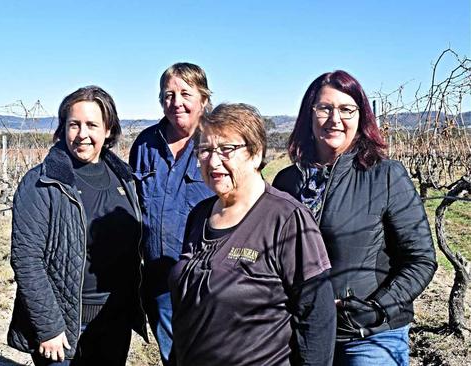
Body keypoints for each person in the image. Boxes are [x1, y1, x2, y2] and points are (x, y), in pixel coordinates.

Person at [272, 70, 437, 366]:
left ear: (361, 117)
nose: (335, 119)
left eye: (347, 109)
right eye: (324, 108)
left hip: (369, 335)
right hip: (302, 329)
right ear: (308, 116)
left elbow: (421, 258)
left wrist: (376, 308)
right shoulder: (287, 182)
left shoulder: (386, 175)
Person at [169, 103, 336, 365]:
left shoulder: (286, 219)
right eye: (205, 150)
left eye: (226, 149)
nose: (213, 161)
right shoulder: (200, 215)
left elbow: (316, 315)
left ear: (256, 154)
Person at [7, 85, 147, 365]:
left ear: (108, 130)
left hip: (114, 318)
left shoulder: (125, 179)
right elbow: (26, 259)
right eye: (74, 125)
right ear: (63, 129)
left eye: (92, 125)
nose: (82, 134)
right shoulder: (43, 182)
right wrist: (49, 327)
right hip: (64, 323)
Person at [129, 62, 214, 365]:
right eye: (168, 94)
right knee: (172, 357)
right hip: (159, 280)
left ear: (203, 98)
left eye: (185, 94)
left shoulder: (217, 143)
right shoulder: (145, 144)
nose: (176, 102)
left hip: (208, 283)